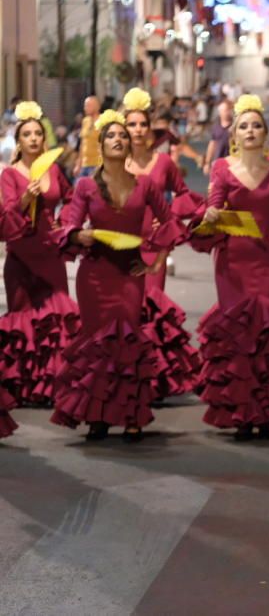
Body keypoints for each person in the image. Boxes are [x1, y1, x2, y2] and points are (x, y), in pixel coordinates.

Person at [50, 110, 186, 442]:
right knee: (98, 344)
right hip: (95, 275)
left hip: (130, 274)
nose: (118, 140)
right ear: (101, 144)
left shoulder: (147, 185)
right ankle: (98, 416)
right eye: (111, 136)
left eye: (123, 136)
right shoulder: (85, 185)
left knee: (127, 341)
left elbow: (170, 222)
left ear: (129, 146)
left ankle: (131, 415)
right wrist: (77, 235)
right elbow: (69, 222)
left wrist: (157, 261)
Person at [195, 95, 269, 440]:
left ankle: (265, 412)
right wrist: (211, 214)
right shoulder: (221, 168)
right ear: (234, 134)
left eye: (256, 126)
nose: (250, 131)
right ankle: (240, 413)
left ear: (266, 134)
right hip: (231, 261)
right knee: (236, 333)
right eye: (244, 126)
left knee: (263, 331)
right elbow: (215, 202)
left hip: (267, 261)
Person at [121, 88, 203, 401]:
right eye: (132, 125)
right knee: (125, 310)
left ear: (150, 128)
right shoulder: (115, 162)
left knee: (151, 305)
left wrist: (168, 218)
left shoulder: (164, 162)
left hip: (155, 245)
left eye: (143, 124)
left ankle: (151, 377)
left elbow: (182, 195)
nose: (138, 130)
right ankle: (127, 375)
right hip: (121, 244)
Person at [0, 101, 79, 408]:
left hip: (51, 249)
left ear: (43, 139)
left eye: (37, 133)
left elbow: (72, 198)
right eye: (26, 134)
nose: (33, 138)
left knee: (56, 316)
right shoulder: (9, 174)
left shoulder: (54, 169)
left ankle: (53, 384)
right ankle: (23, 384)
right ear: (18, 141)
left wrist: (66, 221)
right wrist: (24, 199)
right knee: (24, 315)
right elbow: (6, 213)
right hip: (22, 252)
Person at [72, 96, 101, 181]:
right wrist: (78, 164)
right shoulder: (85, 121)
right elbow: (82, 144)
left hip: (97, 164)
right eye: (85, 105)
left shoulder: (103, 121)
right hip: (84, 165)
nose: (85, 108)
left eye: (88, 105)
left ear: (97, 107)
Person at [202, 99, 233, 175]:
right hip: (218, 162)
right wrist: (207, 163)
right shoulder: (215, 127)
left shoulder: (235, 125)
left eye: (226, 110)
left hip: (232, 162)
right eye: (222, 110)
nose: (225, 113)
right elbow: (212, 144)